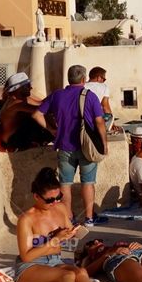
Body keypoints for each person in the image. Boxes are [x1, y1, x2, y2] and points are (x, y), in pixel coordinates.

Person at [14, 168, 127, 282]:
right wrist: (54, 240)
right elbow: (26, 256)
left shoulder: (59, 208)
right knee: (66, 276)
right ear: (36, 196)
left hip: (54, 260)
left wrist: (73, 232)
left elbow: (68, 231)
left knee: (81, 272)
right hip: (30, 267)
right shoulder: (26, 219)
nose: (54, 203)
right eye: (49, 200)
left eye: (58, 197)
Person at [32, 65, 109, 226]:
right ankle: (89, 218)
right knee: (88, 183)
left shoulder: (57, 95)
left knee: (65, 184)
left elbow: (37, 114)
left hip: (64, 146)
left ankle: (68, 218)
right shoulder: (90, 96)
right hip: (86, 147)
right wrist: (104, 143)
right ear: (83, 79)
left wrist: (52, 130)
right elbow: (100, 122)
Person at [0, 72, 53, 151]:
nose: (31, 88)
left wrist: (56, 96)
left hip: (18, 134)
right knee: (37, 118)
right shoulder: (15, 102)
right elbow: (40, 110)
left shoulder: (22, 98)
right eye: (28, 86)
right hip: (12, 139)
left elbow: (41, 103)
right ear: (18, 88)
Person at [84, 67, 120, 133]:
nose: (103, 81)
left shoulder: (82, 85)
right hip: (94, 122)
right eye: (104, 79)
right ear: (98, 77)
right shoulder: (104, 87)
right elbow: (105, 107)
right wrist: (112, 124)